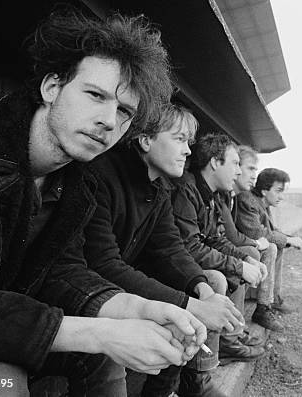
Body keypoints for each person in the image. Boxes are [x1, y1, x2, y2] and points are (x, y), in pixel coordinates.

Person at [0, 8, 204, 396]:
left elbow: (61, 270)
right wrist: (99, 333)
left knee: (103, 356)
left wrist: (136, 309)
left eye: (124, 111)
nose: (108, 120)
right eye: (95, 95)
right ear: (52, 86)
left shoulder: (76, 183)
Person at [85, 105, 244, 396]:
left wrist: (202, 290)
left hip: (119, 282)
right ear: (145, 141)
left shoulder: (158, 187)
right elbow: (102, 264)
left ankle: (165, 391)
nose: (187, 151)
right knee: (177, 311)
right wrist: (189, 305)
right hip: (87, 290)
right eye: (179, 139)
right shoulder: (102, 175)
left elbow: (170, 246)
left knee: (193, 296)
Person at [171, 133, 268, 365]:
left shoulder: (211, 196)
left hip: (185, 261)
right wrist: (238, 265)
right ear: (215, 162)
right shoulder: (187, 190)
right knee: (216, 279)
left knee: (237, 266)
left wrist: (246, 259)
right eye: (235, 163)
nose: (238, 171)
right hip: (167, 267)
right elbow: (190, 246)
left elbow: (216, 239)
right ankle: (205, 368)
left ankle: (230, 335)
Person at [226, 146, 284, 332]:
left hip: (226, 246)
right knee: (265, 248)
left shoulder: (233, 196)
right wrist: (256, 243)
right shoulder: (242, 198)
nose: (254, 176)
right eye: (250, 168)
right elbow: (243, 235)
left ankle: (269, 302)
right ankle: (252, 315)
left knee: (272, 246)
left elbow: (267, 231)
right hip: (219, 250)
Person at [235, 168, 302, 319]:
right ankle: (263, 307)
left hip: (252, 247)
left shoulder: (263, 204)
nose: (281, 196)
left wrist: (289, 239)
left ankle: (273, 299)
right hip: (237, 248)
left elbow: (272, 230)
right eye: (278, 191)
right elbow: (257, 233)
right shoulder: (247, 200)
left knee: (277, 244)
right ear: (265, 190)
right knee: (272, 246)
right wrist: (288, 240)